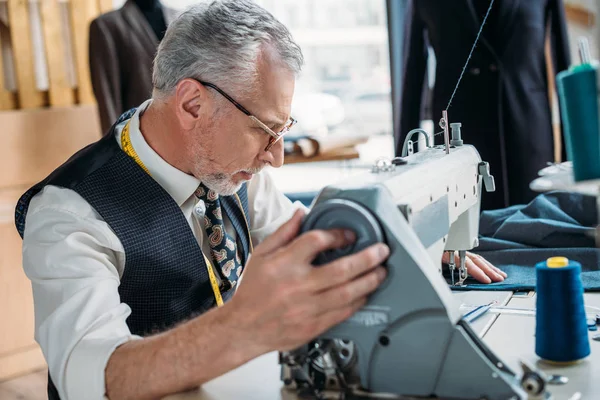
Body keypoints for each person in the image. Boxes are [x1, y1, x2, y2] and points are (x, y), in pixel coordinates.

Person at [15, 1, 506, 399]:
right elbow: (88, 376)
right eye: (265, 129)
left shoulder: (232, 169)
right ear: (192, 104)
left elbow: (314, 242)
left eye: (282, 129)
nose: (276, 157)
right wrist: (242, 326)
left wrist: (409, 244)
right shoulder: (70, 212)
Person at [396, 0, 570, 211]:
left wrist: (575, 164)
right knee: (463, 234)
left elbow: (564, 68)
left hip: (527, 138)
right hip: (459, 140)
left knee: (538, 228)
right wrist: (402, 168)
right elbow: (413, 75)